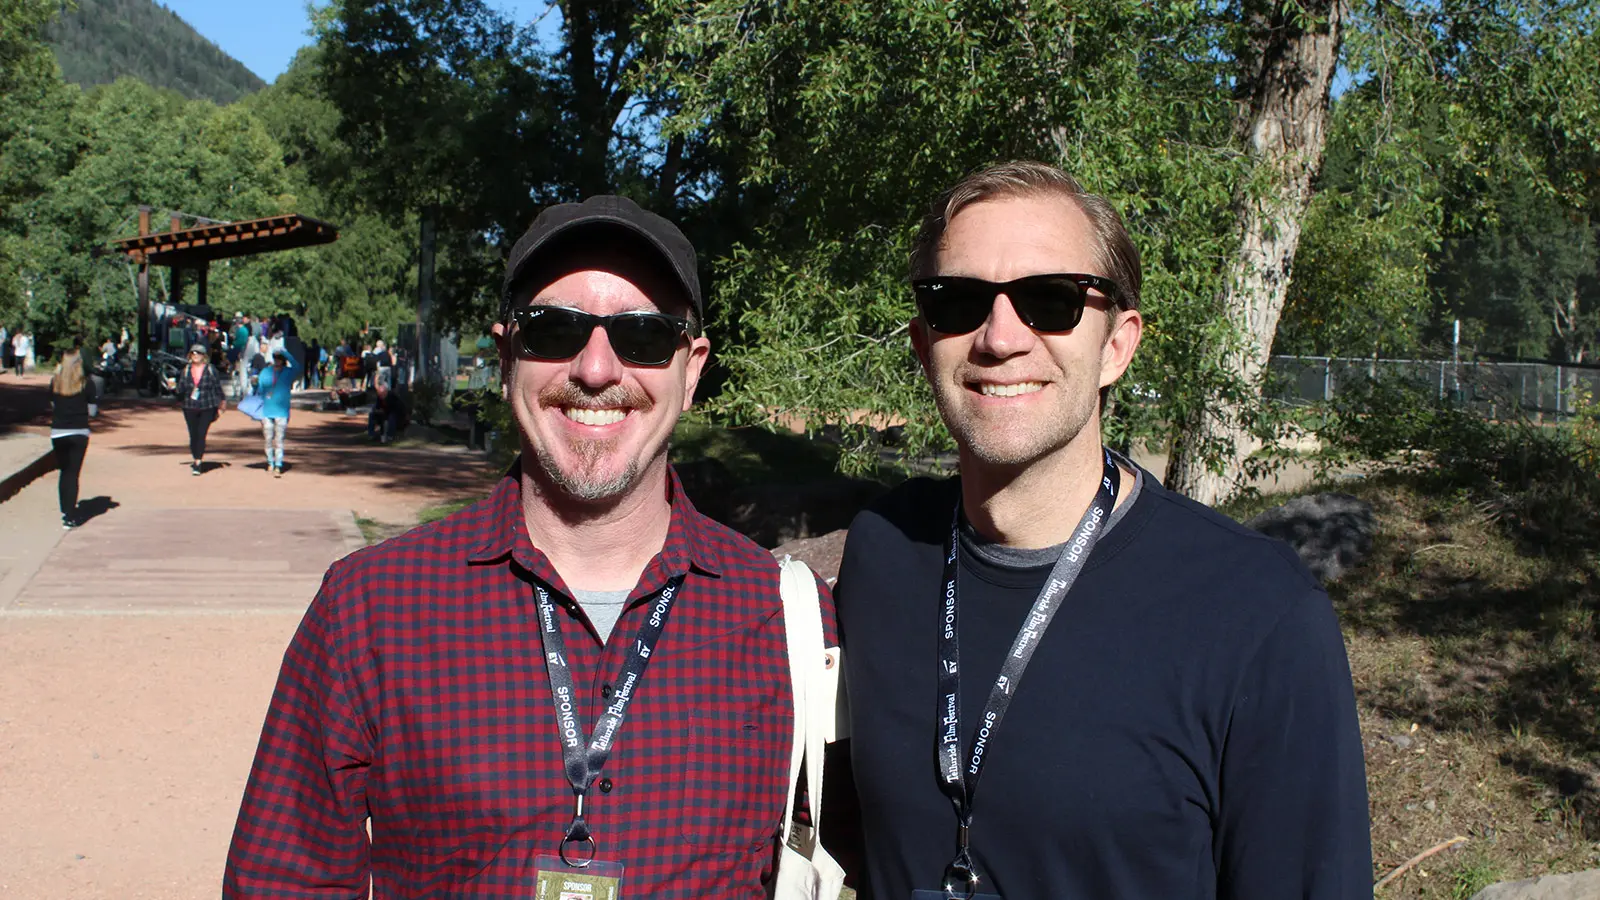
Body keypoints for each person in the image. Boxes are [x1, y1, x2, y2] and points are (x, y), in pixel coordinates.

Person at [225, 195, 835, 898]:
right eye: (555, 330)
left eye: (642, 337)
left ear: (691, 368)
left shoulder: (790, 619)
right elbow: (284, 881)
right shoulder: (370, 607)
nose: (598, 370)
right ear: (508, 352)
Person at [831, 161, 1371, 899]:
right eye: (957, 301)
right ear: (925, 343)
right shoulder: (883, 553)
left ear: (1118, 344)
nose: (1000, 337)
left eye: (1049, 300)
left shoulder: (1258, 615)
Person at [50, 346, 98, 529]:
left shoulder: (55, 382)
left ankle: (65, 511)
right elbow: (92, 411)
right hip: (79, 431)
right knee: (73, 473)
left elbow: (53, 405)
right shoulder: (87, 384)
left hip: (58, 431)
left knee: (64, 472)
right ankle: (70, 515)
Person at [174, 342, 226, 476]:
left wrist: (222, 402)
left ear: (204, 356)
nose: (195, 355)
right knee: (193, 434)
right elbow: (180, 390)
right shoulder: (185, 370)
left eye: (199, 353)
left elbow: (217, 387)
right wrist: (173, 387)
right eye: (193, 353)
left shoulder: (210, 369)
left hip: (207, 405)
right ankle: (195, 454)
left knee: (201, 433)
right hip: (189, 406)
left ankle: (198, 461)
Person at [254, 346, 299, 477]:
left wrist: (286, 353)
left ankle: (278, 464)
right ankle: (270, 461)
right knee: (268, 438)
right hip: (266, 410)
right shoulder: (266, 372)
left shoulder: (288, 372)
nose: (277, 360)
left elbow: (298, 367)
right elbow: (260, 390)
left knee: (279, 439)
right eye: (275, 357)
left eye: (280, 358)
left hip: (282, 411)